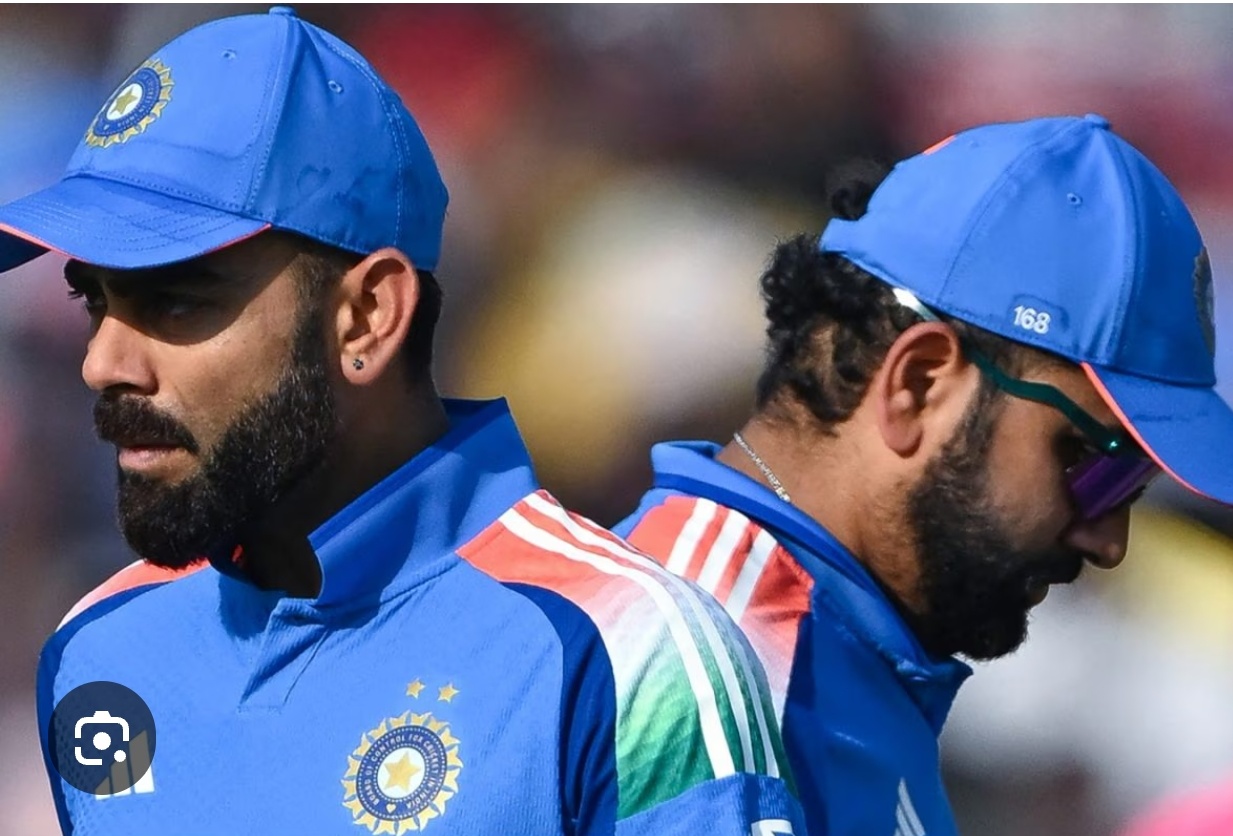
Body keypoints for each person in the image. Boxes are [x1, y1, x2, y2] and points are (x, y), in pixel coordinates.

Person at [7, 9, 804, 835]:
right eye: (94, 301)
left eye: (175, 301)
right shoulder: (100, 650)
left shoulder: (623, 650)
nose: (102, 363)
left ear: (366, 319)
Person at [616, 114, 1233, 836]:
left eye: (1132, 488)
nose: (1109, 541)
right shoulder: (698, 672)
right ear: (919, 384)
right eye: (1095, 464)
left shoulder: (812, 659)